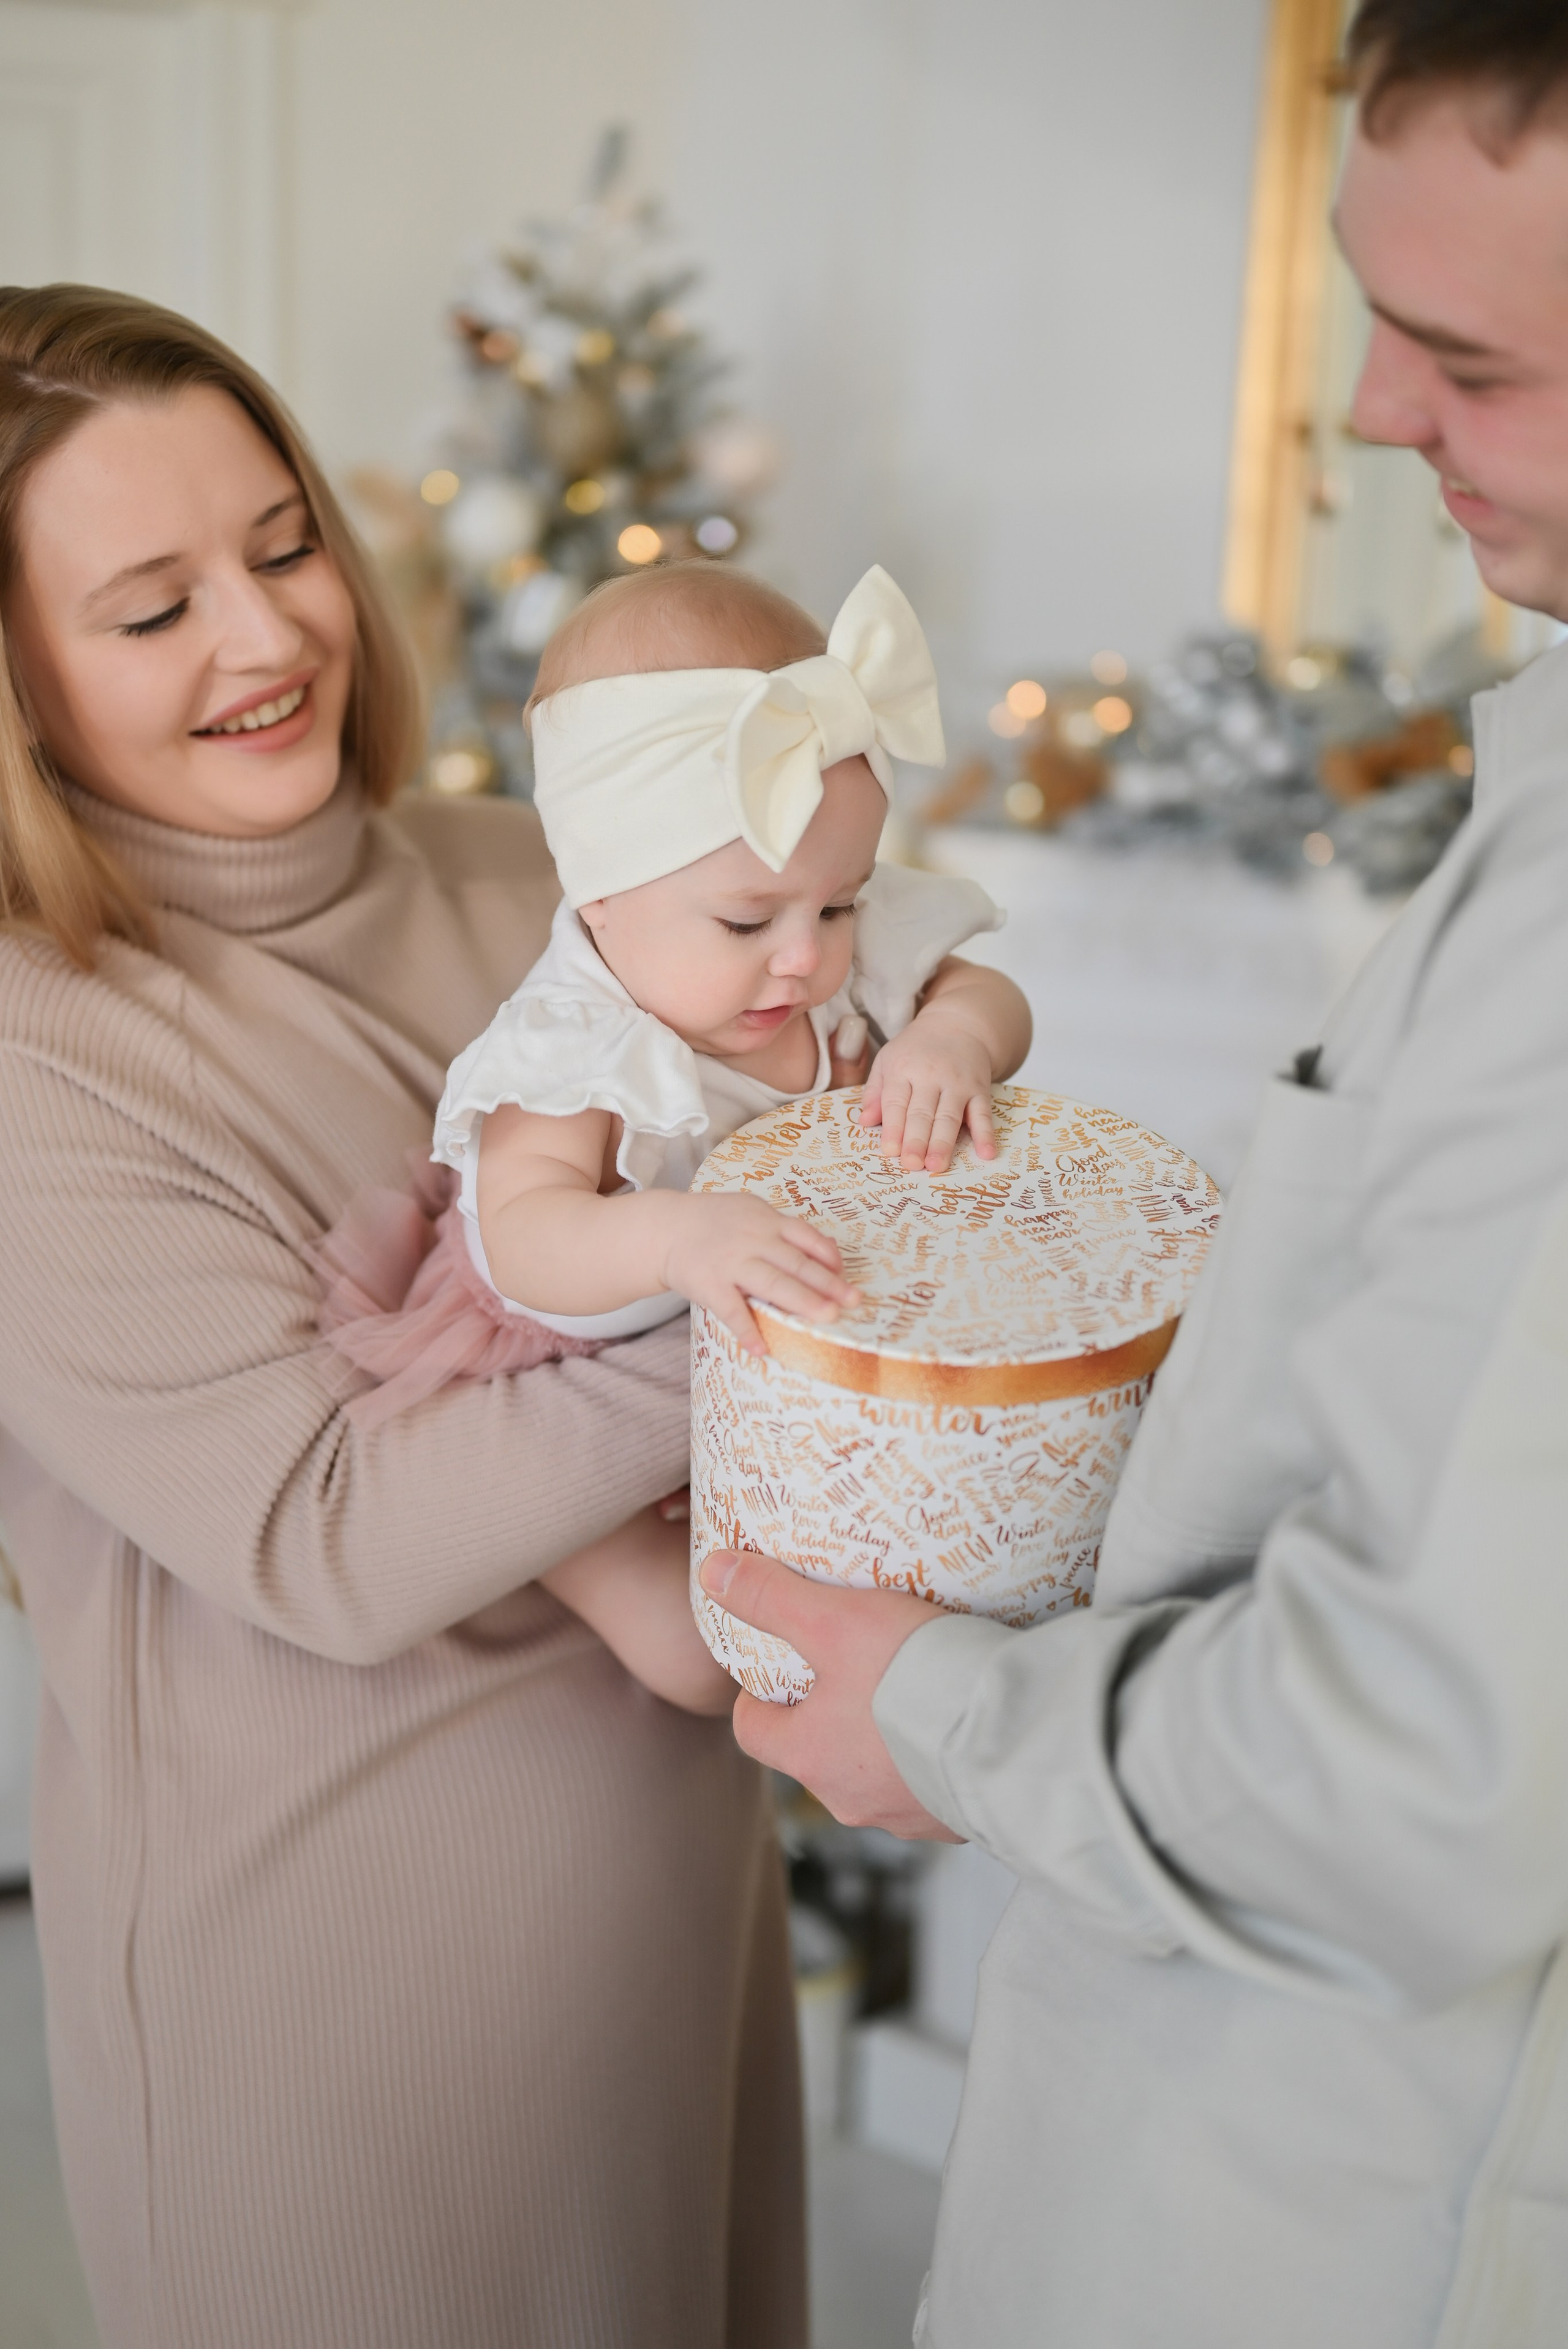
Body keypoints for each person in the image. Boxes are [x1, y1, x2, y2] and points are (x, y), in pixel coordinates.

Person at [700, 5, 1568, 2342]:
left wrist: (943, 1712)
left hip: (1328, 2219)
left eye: (1471, 361)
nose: (1376, 414)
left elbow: (1419, 1775)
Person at [0, 283, 804, 2349]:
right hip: (338, 1991)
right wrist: (786, 1266)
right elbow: (335, 1535)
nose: (272, 640)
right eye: (152, 606)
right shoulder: (39, 1043)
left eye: (282, 547)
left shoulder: (527, 873)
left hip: (672, 1907)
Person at [320, 561, 1028, 1708]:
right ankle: (566, 1542)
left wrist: (952, 1039)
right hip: (567, 1348)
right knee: (705, 1666)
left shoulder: (808, 935)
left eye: (838, 906)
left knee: (894, 1579)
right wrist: (673, 1241)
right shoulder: (577, 1043)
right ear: (602, 895)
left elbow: (987, 993)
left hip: (751, 1326)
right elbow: (535, 1230)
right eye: (749, 920)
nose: (805, 956)